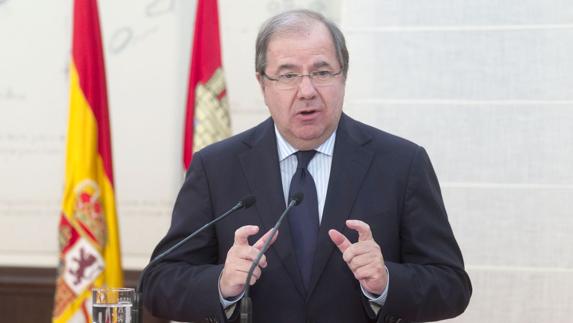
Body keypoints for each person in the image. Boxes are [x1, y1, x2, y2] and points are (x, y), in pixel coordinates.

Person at [142, 9, 472, 323]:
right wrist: (221, 283)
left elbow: (452, 286)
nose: (307, 91)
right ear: (263, 84)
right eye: (287, 75)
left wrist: (386, 282)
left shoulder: (402, 163)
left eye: (322, 72)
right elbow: (158, 284)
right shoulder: (216, 167)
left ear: (344, 76)